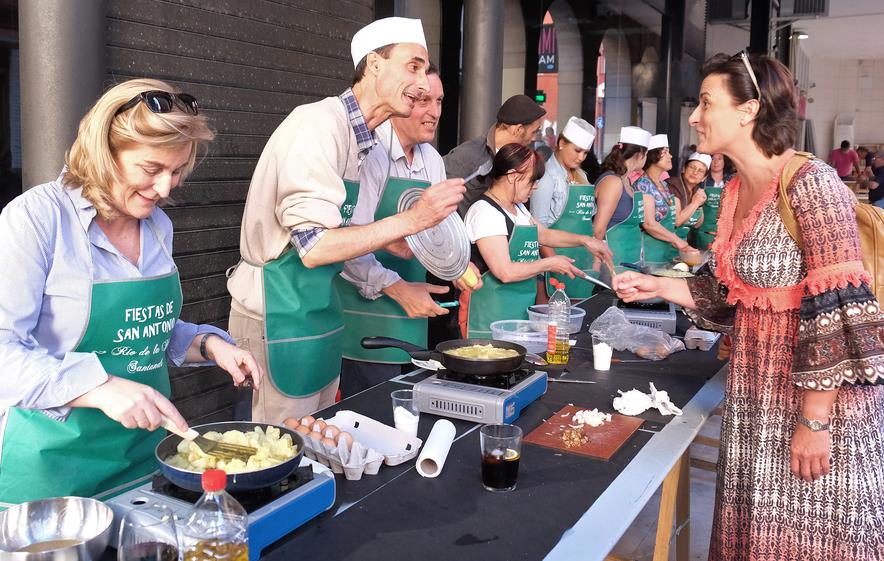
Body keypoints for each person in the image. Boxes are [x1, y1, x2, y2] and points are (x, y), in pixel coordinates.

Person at [613, 52, 884, 560]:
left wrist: (815, 422)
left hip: (813, 406)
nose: (694, 116)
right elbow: (725, 292)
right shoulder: (736, 191)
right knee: (757, 536)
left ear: (749, 110)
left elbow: (841, 311)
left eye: (706, 102)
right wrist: (660, 287)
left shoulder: (813, 185)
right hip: (756, 395)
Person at [0, 79, 264, 505]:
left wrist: (209, 344)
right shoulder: (35, 219)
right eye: (151, 169)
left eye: (176, 171)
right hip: (52, 469)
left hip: (141, 456)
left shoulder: (158, 225)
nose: (164, 189)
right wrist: (100, 388)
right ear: (105, 151)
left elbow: (144, 326)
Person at [226, 17, 466, 424]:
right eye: (414, 66)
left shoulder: (363, 141)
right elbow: (315, 246)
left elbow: (349, 232)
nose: (425, 85)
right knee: (275, 449)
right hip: (276, 312)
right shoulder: (317, 126)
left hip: (318, 312)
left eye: (425, 71)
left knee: (318, 443)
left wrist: (390, 245)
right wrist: (413, 219)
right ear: (373, 65)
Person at [336, 64, 480, 397]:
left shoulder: (432, 159)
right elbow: (347, 244)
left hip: (415, 318)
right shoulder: (371, 154)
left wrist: (457, 264)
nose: (435, 112)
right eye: (423, 100)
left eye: (440, 101)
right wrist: (398, 288)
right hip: (367, 320)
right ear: (400, 100)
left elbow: (438, 231)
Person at [459, 144, 611, 338]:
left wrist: (585, 240)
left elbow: (545, 235)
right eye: (533, 180)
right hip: (488, 318)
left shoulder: (518, 208)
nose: (536, 186)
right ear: (513, 176)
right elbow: (505, 271)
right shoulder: (485, 212)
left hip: (518, 313)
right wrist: (549, 263)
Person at [530, 116, 600, 298]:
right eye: (577, 151)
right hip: (553, 264)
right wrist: (555, 264)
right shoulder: (546, 178)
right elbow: (539, 231)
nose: (581, 157)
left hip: (580, 261)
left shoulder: (582, 176)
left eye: (585, 153)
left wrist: (594, 259)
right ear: (561, 143)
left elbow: (587, 222)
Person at [444, 94, 546, 217]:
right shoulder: (467, 156)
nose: (534, 138)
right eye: (534, 131)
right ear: (518, 130)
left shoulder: (518, 157)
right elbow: (445, 201)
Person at [632, 134, 695, 262]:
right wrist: (677, 240)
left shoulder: (665, 185)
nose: (670, 156)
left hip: (665, 253)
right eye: (665, 152)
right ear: (653, 156)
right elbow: (649, 224)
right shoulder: (643, 185)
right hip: (649, 254)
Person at [667, 152, 709, 243]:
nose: (695, 172)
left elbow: (697, 224)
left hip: (682, 244)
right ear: (683, 169)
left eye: (700, 171)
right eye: (692, 167)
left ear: (703, 178)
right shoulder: (672, 186)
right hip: (665, 245)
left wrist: (700, 205)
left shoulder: (697, 191)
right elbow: (677, 221)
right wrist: (695, 203)